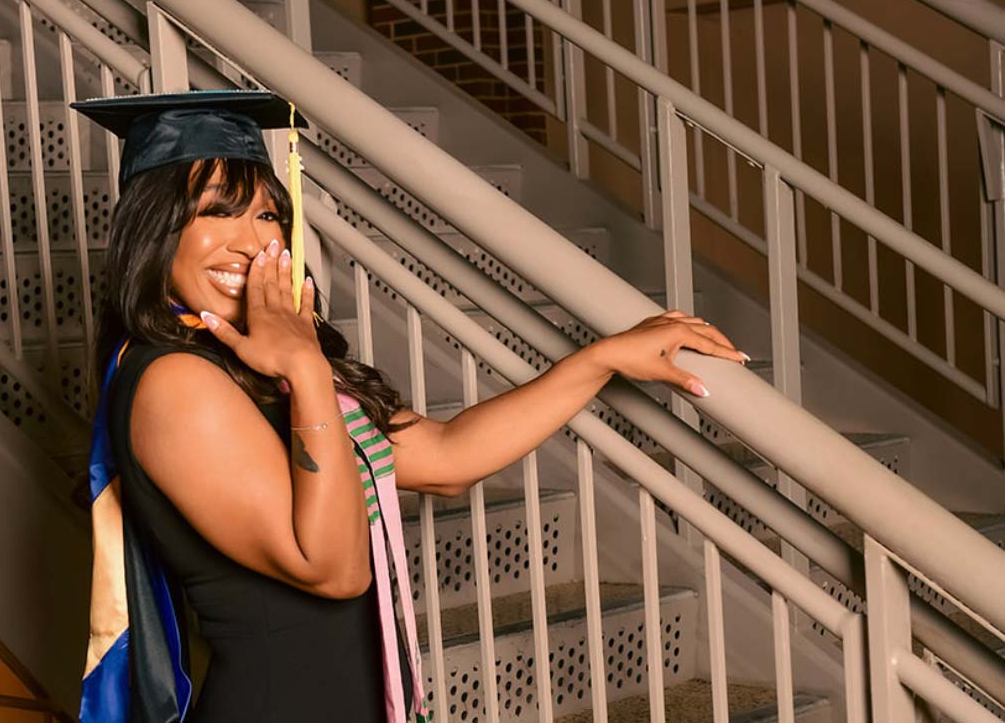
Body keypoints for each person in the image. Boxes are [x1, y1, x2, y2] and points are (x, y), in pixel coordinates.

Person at [72, 91, 746, 723]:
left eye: (267, 214)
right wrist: (304, 365)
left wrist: (598, 360)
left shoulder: (252, 368)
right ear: (155, 231)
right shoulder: (173, 381)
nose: (250, 242)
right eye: (215, 212)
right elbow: (332, 570)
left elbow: (448, 458)